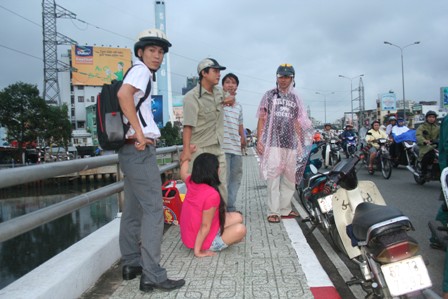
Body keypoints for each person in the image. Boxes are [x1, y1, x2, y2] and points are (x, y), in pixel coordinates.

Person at [116, 28, 185, 292]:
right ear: (140, 52)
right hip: (138, 150)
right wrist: (141, 133)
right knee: (155, 211)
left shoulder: (138, 72)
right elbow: (124, 96)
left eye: (161, 52)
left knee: (133, 210)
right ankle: (153, 274)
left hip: (128, 150)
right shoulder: (141, 71)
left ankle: (132, 263)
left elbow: (126, 97)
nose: (157, 56)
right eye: (152, 50)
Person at [256, 63, 313, 223]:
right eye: (281, 76)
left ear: (292, 79)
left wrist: (300, 142)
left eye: (287, 77)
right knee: (273, 176)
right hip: (273, 143)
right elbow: (262, 118)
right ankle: (273, 211)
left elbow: (298, 121)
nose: (283, 80)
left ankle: (285, 208)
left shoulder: (295, 99)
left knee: (289, 177)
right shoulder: (269, 95)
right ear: (276, 78)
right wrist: (260, 139)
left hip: (291, 143)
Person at [181, 58, 234, 205]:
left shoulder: (219, 92)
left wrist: (229, 101)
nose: (218, 75)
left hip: (217, 146)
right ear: (204, 73)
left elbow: (230, 98)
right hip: (200, 149)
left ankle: (220, 219)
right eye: (215, 71)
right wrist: (186, 151)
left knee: (221, 185)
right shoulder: (192, 98)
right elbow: (187, 126)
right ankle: (199, 222)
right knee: (199, 188)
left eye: (219, 71)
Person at [179, 152, 246, 257]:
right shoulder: (212, 195)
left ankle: (227, 237)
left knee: (238, 217)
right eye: (217, 167)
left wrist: (187, 155)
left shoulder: (192, 181)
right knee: (240, 229)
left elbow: (183, 173)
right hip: (202, 240)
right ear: (212, 171)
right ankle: (213, 244)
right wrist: (198, 251)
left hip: (190, 235)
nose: (219, 169)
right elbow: (205, 226)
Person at [222, 73, 246, 212]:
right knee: (222, 180)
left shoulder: (239, 106)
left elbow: (240, 124)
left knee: (235, 178)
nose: (230, 85)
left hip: (235, 148)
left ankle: (230, 207)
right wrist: (225, 100)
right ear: (223, 85)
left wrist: (243, 139)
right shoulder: (218, 102)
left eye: (233, 82)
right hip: (222, 148)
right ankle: (221, 209)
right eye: (227, 82)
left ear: (237, 86)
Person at [416, 110, 440, 178]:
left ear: (435, 118)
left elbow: (443, 136)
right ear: (427, 118)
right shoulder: (422, 127)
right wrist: (424, 141)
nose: (431, 118)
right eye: (430, 117)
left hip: (436, 145)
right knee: (428, 155)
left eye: (433, 117)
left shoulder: (438, 128)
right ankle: (424, 172)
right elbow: (418, 135)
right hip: (425, 146)